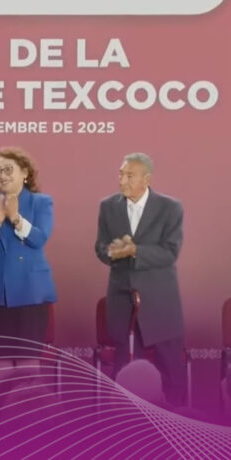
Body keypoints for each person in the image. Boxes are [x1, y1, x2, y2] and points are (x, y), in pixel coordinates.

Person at [95, 152, 187, 405]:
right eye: (121, 174)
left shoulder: (170, 208)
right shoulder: (108, 206)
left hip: (160, 300)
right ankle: (126, 420)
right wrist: (113, 252)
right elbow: (100, 248)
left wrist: (135, 251)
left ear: (147, 179)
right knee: (125, 371)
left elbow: (170, 252)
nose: (122, 180)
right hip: (122, 299)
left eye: (129, 175)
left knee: (171, 370)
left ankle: (173, 419)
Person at [0, 147, 57, 374]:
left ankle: (28, 397)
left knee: (28, 365)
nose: (2, 175)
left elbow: (39, 238)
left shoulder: (41, 202)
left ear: (25, 173)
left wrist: (16, 218)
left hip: (31, 295)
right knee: (0, 365)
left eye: (8, 170)